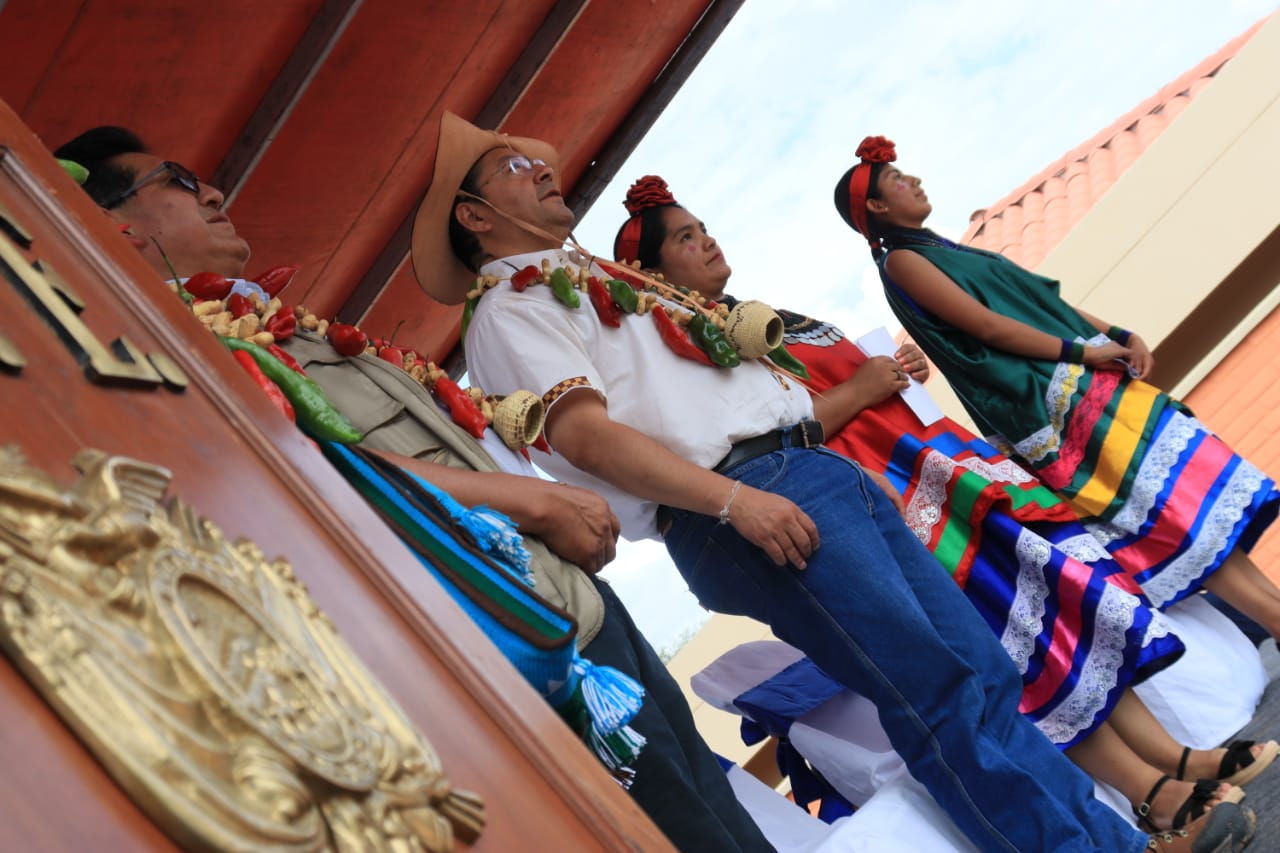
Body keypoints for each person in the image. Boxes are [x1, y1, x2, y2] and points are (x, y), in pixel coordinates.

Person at [411, 109, 1254, 852]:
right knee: (938, 689)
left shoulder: (598, 280)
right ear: (477, 217)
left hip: (803, 470)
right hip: (738, 497)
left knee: (979, 671)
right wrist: (735, 499)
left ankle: (1117, 835)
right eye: (513, 168)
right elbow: (584, 435)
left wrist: (821, 470)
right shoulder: (511, 309)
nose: (540, 168)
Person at [55, 125, 775, 853]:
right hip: (512, 647)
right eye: (177, 180)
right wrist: (534, 499)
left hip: (567, 603)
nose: (212, 191)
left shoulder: (269, 327)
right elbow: (304, 472)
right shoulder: (179, 353)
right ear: (119, 227)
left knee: (728, 830)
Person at [613, 174, 1277, 833]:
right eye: (686, 238)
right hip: (895, 497)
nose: (707, 242)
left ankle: (1175, 758)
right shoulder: (695, 348)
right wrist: (863, 388)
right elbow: (774, 440)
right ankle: (1148, 790)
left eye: (703, 228)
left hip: (940, 467)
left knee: (1061, 610)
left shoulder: (751, 318)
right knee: (1012, 640)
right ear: (651, 272)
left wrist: (890, 372)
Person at [831, 135, 1280, 643]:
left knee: (1188, 505)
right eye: (897, 179)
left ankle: (1274, 613)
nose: (913, 180)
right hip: (1048, 402)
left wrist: (1116, 334)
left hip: (1082, 384)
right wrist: (1084, 352)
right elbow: (987, 327)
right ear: (877, 206)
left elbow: (1039, 300)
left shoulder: (940, 250)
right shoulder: (902, 261)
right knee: (1168, 516)